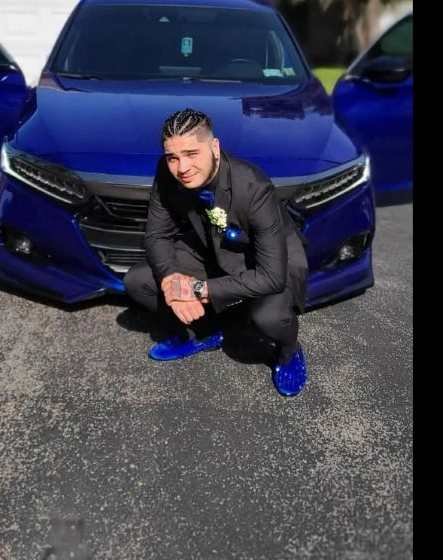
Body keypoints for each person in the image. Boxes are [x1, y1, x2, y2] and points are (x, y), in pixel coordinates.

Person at [123, 107, 309, 396]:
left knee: (270, 318)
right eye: (173, 157)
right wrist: (173, 280)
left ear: (215, 147)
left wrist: (196, 289)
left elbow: (271, 276)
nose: (181, 168)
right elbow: (157, 234)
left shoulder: (253, 186)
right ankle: (205, 332)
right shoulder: (166, 171)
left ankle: (288, 351)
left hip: (268, 258)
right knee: (139, 281)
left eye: (191, 153)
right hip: (211, 245)